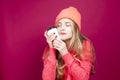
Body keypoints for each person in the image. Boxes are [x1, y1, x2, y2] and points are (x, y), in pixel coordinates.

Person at [42, 6, 96, 80]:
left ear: (75, 29)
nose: (62, 28)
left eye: (67, 25)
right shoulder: (50, 48)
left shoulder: (84, 45)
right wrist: (52, 48)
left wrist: (65, 53)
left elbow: (83, 78)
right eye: (59, 25)